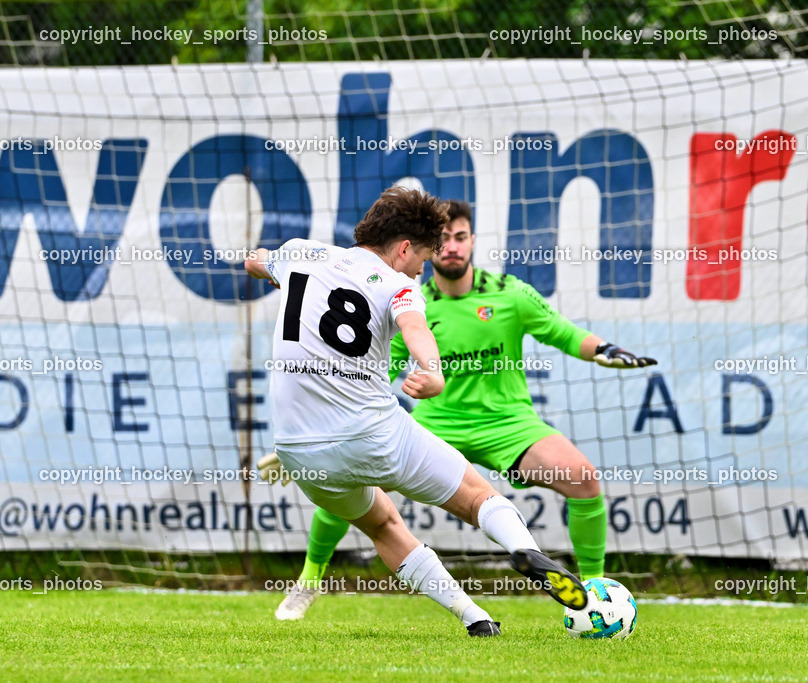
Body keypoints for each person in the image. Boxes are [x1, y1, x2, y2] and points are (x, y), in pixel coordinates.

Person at [262, 198, 657, 621]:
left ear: (472, 242)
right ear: (413, 248)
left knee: (581, 477)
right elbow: (380, 364)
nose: (450, 247)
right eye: (442, 241)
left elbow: (563, 332)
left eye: (460, 237)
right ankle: (309, 580)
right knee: (367, 485)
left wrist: (604, 348)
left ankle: (591, 593)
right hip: (438, 421)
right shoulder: (407, 293)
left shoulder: (509, 292)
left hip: (507, 423)